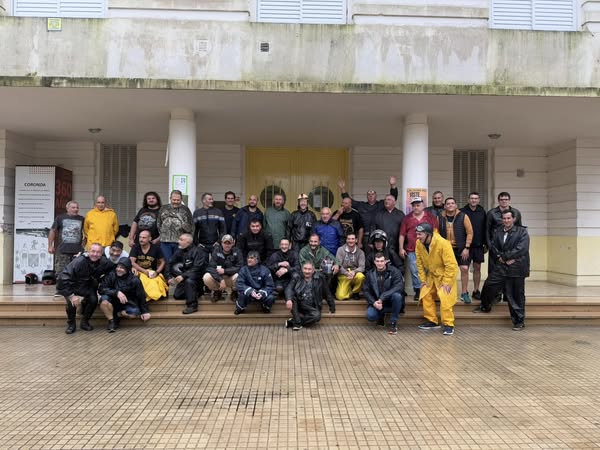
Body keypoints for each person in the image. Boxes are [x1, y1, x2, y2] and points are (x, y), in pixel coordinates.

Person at [473, 210, 530, 330]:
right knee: (489, 285)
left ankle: (519, 321)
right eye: (504, 218)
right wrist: (501, 257)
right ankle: (485, 306)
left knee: (515, 295)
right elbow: (493, 246)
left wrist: (506, 257)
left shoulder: (522, 232)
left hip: (517, 268)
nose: (506, 220)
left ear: (513, 219)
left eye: (508, 218)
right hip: (502, 265)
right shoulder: (498, 231)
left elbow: (521, 249)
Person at [57, 242, 115, 334]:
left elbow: (114, 269)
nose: (95, 254)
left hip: (87, 287)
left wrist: (103, 280)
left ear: (101, 253)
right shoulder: (79, 261)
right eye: (93, 251)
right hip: (73, 286)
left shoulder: (104, 262)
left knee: (93, 300)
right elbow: (62, 278)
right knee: (71, 304)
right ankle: (71, 324)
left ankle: (85, 322)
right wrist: (71, 296)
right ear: (88, 251)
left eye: (98, 252)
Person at [415, 223, 459, 336]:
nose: (417, 237)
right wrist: (423, 280)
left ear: (428, 234)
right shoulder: (419, 244)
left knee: (445, 296)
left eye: (420, 234)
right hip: (431, 276)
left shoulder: (443, 243)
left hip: (445, 276)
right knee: (425, 293)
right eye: (417, 234)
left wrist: (447, 282)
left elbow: (451, 265)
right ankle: (432, 321)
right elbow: (419, 263)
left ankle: (449, 324)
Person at [338, 176, 398, 249]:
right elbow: (349, 201)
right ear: (367, 196)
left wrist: (393, 185)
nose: (371, 196)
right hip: (364, 237)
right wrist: (342, 189)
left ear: (376, 195)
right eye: (369, 194)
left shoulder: (381, 204)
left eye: (373, 194)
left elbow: (392, 197)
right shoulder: (361, 205)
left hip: (378, 236)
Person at [399, 197, 438, 302]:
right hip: (412, 250)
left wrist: (434, 248)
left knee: (429, 270)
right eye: (414, 205)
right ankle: (418, 290)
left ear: (423, 206)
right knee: (415, 271)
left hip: (428, 249)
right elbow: (402, 234)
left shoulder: (430, 217)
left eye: (418, 205)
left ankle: (430, 290)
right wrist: (401, 248)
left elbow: (435, 233)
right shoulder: (407, 218)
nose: (416, 207)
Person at [486, 191, 524, 301]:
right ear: (498, 201)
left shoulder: (516, 213)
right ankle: (496, 295)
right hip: (496, 248)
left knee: (510, 272)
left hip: (511, 248)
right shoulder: (491, 213)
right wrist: (489, 246)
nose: (504, 201)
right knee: (494, 272)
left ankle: (508, 295)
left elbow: (520, 230)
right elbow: (487, 231)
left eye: (506, 199)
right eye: (502, 199)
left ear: (509, 200)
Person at [99, 257, 150, 332]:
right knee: (104, 300)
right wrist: (116, 293)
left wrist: (145, 311)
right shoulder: (111, 275)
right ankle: (112, 321)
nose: (119, 269)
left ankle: (118, 314)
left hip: (127, 303)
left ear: (128, 269)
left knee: (135, 312)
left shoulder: (134, 280)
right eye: (118, 267)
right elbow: (101, 289)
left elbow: (141, 295)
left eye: (122, 268)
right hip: (112, 301)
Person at [438, 197, 473, 304]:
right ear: (445, 206)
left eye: (452, 203)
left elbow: (470, 232)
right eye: (448, 203)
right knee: (444, 271)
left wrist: (467, 248)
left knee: (464, 268)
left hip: (461, 248)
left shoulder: (463, 216)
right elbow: (437, 233)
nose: (450, 205)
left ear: (456, 205)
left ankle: (464, 292)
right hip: (446, 249)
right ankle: (445, 292)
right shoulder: (440, 217)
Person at [284, 261, 336, 331]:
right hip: (298, 304)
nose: (307, 271)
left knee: (317, 316)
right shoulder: (296, 276)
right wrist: (288, 299)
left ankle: (295, 321)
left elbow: (327, 292)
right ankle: (297, 321)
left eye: (309, 269)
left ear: (313, 270)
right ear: (302, 270)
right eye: (305, 269)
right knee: (292, 296)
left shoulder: (320, 278)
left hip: (312, 305)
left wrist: (332, 306)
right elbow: (289, 288)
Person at [363, 253, 405, 335]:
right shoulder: (370, 274)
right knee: (371, 316)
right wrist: (374, 302)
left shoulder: (394, 271)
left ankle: (393, 322)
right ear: (374, 262)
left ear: (385, 261)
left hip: (390, 301)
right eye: (377, 261)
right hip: (377, 301)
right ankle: (380, 314)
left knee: (397, 296)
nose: (380, 263)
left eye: (382, 261)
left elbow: (399, 286)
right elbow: (366, 291)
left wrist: (383, 297)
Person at [166, 233, 207, 315]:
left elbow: (197, 268)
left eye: (181, 240)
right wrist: (169, 277)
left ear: (188, 242)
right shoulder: (179, 251)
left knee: (189, 280)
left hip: (195, 278)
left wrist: (183, 276)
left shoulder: (198, 251)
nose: (178, 241)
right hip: (184, 279)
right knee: (177, 296)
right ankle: (195, 293)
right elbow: (169, 264)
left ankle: (192, 306)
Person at [48, 200, 85, 278]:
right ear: (67, 208)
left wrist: (83, 246)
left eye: (77, 208)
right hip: (62, 251)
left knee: (77, 274)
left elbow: (86, 234)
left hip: (77, 252)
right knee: (61, 274)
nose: (76, 209)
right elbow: (52, 231)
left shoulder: (82, 219)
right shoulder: (60, 218)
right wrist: (50, 246)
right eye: (73, 207)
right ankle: (61, 290)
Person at [461, 192, 487, 300]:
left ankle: (476, 290)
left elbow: (485, 228)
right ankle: (464, 291)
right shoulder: (462, 212)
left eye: (476, 198)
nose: (473, 200)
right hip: (465, 246)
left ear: (479, 200)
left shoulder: (482, 212)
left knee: (477, 268)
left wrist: (486, 243)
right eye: (471, 198)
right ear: (468, 200)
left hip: (478, 245)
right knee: (464, 268)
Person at [203, 234, 244, 301]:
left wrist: (225, 271)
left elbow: (240, 267)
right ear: (221, 243)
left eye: (229, 243)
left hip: (231, 277)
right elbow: (210, 267)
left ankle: (234, 292)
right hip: (219, 279)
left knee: (239, 275)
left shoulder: (237, 251)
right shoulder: (216, 251)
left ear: (232, 244)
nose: (227, 245)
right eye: (225, 243)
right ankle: (217, 291)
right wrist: (220, 279)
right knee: (206, 277)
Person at [129, 230, 168, 301]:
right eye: (140, 237)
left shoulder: (156, 248)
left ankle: (153, 297)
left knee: (157, 281)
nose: (141, 239)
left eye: (144, 237)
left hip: (152, 272)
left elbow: (163, 262)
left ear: (149, 239)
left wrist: (157, 272)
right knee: (143, 280)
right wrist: (144, 271)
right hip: (139, 272)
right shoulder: (135, 247)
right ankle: (147, 297)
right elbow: (132, 262)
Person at [157, 190, 193, 262]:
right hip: (165, 241)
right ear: (170, 198)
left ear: (181, 199)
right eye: (174, 200)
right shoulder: (163, 208)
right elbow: (159, 223)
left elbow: (191, 226)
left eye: (178, 200)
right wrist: (163, 234)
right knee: (167, 262)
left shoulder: (185, 210)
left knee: (178, 262)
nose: (176, 202)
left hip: (180, 242)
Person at [335, 233, 366, 300]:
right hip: (344, 275)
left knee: (361, 276)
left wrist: (354, 272)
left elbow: (362, 267)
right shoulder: (340, 250)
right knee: (340, 297)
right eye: (348, 239)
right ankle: (349, 290)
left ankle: (356, 292)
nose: (350, 241)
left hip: (355, 274)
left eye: (352, 239)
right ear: (346, 240)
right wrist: (347, 273)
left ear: (356, 240)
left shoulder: (360, 252)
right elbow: (338, 265)